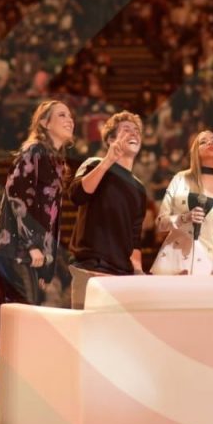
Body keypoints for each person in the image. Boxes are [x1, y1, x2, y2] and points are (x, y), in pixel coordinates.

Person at [0, 100, 74, 305]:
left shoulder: (56, 161)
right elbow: (17, 196)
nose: (70, 120)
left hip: (31, 252)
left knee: (26, 312)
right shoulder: (34, 151)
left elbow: (51, 217)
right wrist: (31, 245)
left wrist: (47, 265)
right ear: (45, 123)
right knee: (25, 312)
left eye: (70, 115)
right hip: (16, 248)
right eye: (62, 115)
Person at [68, 111, 148, 307]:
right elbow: (77, 195)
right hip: (91, 268)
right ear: (111, 139)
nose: (134, 133)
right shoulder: (94, 164)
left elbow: (134, 237)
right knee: (85, 325)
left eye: (136, 131)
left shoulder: (139, 188)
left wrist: (137, 270)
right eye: (126, 130)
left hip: (122, 276)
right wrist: (108, 161)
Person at [153, 130, 213, 275]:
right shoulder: (181, 178)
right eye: (203, 142)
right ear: (195, 152)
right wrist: (184, 218)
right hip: (173, 264)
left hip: (208, 270)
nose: (210, 143)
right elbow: (160, 223)